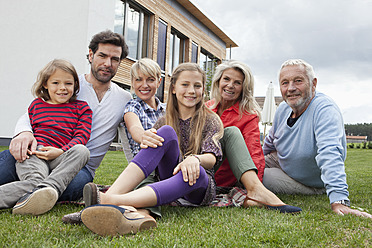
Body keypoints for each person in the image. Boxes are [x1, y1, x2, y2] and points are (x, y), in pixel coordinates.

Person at [79, 62, 224, 236]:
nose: (191, 91)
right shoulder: (163, 120)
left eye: (197, 86)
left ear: (203, 90)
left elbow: (212, 157)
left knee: (197, 172)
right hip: (168, 176)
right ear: (173, 89)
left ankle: (110, 199)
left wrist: (195, 159)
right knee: (166, 132)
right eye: (185, 84)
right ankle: (111, 196)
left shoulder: (210, 119)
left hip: (198, 187)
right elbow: (144, 141)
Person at [0, 30, 132, 201]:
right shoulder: (69, 83)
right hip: (39, 151)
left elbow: (128, 139)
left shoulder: (124, 98)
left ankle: (36, 189)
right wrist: (24, 132)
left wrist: (137, 173)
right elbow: (34, 112)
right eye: (102, 56)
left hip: (79, 166)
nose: (108, 63)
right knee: (9, 162)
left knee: (76, 187)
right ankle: (38, 191)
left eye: (115, 59)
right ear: (91, 55)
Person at [263, 59, 372, 218]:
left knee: (264, 177)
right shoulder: (283, 109)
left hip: (307, 181)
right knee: (245, 167)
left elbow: (329, 153)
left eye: (298, 81)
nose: (291, 88)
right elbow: (268, 143)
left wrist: (339, 199)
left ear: (313, 83)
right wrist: (251, 161)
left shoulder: (324, 109)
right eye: (285, 83)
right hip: (282, 161)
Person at [0, 59, 92, 215]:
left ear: (75, 85)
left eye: (68, 83)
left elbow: (82, 135)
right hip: (35, 154)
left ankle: (47, 189)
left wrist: (61, 151)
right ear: (45, 84)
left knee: (82, 151)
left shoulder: (82, 108)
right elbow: (27, 128)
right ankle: (43, 191)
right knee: (34, 180)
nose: (62, 88)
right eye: (55, 83)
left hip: (61, 156)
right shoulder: (36, 105)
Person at [206, 60, 265, 186]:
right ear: (218, 81)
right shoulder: (205, 108)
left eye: (237, 83)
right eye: (226, 79)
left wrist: (256, 188)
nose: (230, 85)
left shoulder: (248, 116)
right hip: (199, 172)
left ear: (244, 88)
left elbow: (255, 153)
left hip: (224, 182)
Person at [123, 58, 166, 157]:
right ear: (132, 82)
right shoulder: (133, 107)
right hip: (147, 164)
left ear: (159, 82)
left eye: (150, 80)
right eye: (139, 80)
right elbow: (135, 128)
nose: (144, 85)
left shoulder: (166, 109)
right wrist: (144, 136)